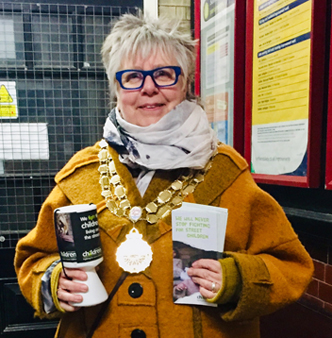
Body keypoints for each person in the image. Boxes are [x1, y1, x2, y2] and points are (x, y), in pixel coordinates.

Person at [14, 13, 313, 338]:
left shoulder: (226, 171)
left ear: (186, 84)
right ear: (116, 87)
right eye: (132, 77)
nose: (149, 88)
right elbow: (34, 259)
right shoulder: (81, 174)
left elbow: (289, 265)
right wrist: (54, 282)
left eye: (164, 74)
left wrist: (234, 278)